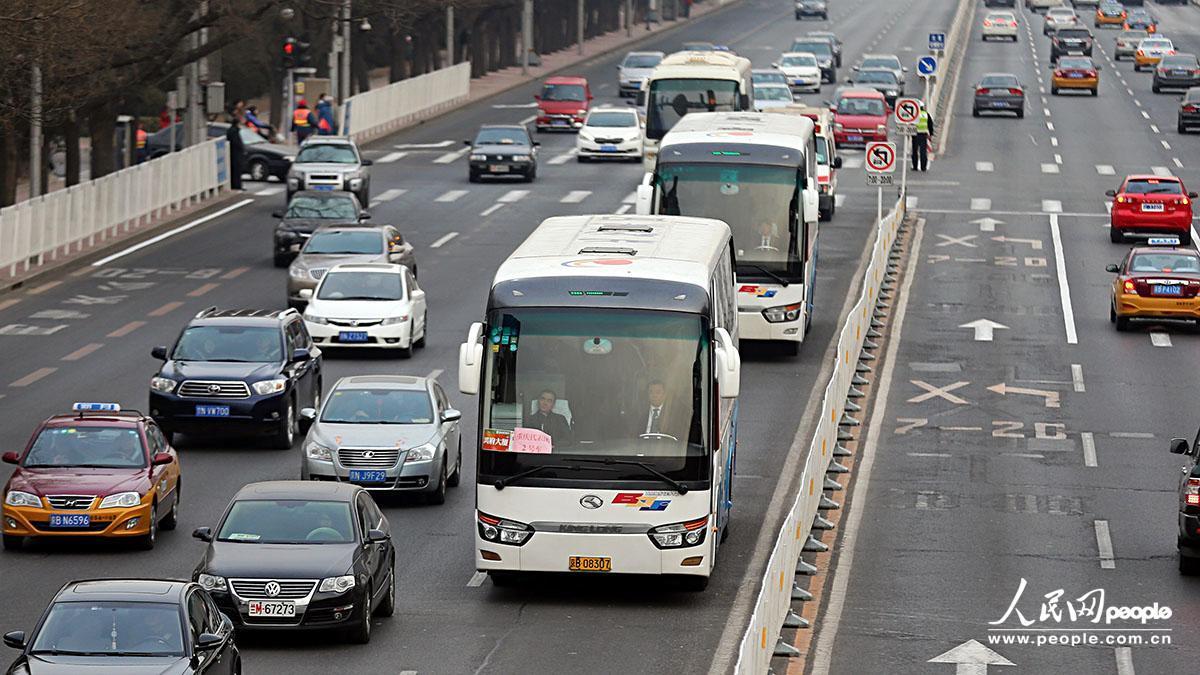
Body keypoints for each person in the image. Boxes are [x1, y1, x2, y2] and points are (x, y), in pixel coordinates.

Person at [912, 101, 935, 172]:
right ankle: (923, 167)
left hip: (915, 135)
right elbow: (930, 125)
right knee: (923, 152)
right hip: (923, 135)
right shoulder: (926, 114)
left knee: (915, 151)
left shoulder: (914, 114)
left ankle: (915, 167)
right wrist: (931, 134)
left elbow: (910, 124)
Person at [225, 108, 245, 191]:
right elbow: (236, 143)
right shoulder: (234, 131)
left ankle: (236, 185)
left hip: (234, 154)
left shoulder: (233, 130)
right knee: (236, 170)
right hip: (235, 154)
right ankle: (236, 185)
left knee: (236, 170)